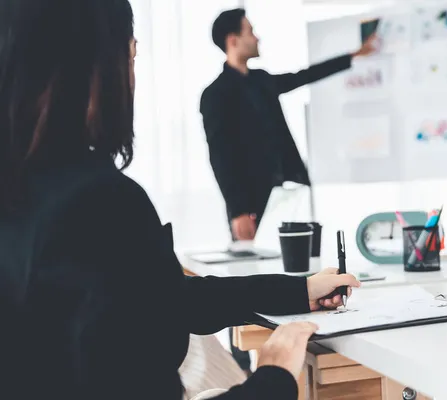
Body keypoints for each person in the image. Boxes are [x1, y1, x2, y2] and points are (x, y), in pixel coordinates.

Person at [0, 1, 360, 399]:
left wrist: (298, 290)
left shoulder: (26, 190)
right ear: (92, 66)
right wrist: (273, 376)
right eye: (131, 56)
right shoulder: (97, 204)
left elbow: (163, 298)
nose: (132, 78)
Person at [200, 8, 376, 243]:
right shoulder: (215, 95)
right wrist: (238, 210)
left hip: (286, 191)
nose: (257, 38)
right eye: (250, 32)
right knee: (254, 271)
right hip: (250, 202)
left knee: (296, 264)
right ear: (233, 40)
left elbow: (302, 76)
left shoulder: (262, 80)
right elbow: (220, 157)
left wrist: (352, 56)